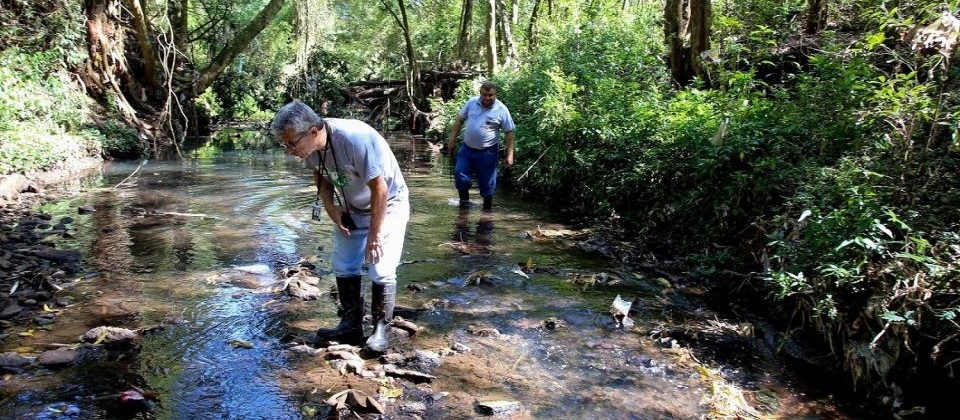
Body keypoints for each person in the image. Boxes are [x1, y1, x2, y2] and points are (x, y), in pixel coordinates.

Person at [270, 100, 409, 354]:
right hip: (352, 206)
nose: (289, 150)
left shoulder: (354, 138)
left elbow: (380, 188)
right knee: (344, 264)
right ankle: (351, 325)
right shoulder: (309, 148)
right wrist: (332, 208)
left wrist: (375, 236)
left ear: (313, 131)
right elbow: (321, 177)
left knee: (381, 267)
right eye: (285, 144)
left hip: (388, 204)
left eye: (292, 143)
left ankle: (380, 330)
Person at [446, 81, 516, 211]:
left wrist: (510, 155)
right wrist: (451, 140)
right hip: (467, 149)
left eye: (490, 95)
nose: (487, 98)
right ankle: (464, 208)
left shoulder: (501, 109)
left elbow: (509, 132)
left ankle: (486, 214)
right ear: (480, 93)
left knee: (487, 185)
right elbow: (459, 120)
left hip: (487, 153)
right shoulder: (471, 103)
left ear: (495, 94)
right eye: (484, 94)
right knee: (460, 175)